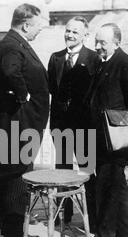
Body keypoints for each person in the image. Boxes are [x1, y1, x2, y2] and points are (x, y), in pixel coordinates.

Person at [0, 3, 49, 237]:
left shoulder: (6, 44)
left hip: (9, 124)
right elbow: (11, 71)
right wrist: (23, 97)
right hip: (19, 126)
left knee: (5, 176)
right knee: (18, 178)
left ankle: (7, 227)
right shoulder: (12, 46)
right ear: (26, 24)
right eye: (38, 27)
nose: (39, 31)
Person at [76, 23, 128, 237]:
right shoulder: (104, 62)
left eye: (103, 43)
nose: (97, 46)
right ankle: (126, 232)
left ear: (117, 42)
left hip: (115, 137)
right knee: (117, 186)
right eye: (96, 41)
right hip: (103, 136)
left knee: (107, 187)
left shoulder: (126, 64)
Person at [48, 17, 99, 226]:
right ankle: (63, 213)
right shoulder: (55, 58)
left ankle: (93, 218)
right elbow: (53, 89)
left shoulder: (94, 58)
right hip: (61, 124)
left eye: (75, 32)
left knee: (88, 169)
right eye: (68, 31)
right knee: (62, 169)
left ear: (85, 35)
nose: (70, 35)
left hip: (83, 124)